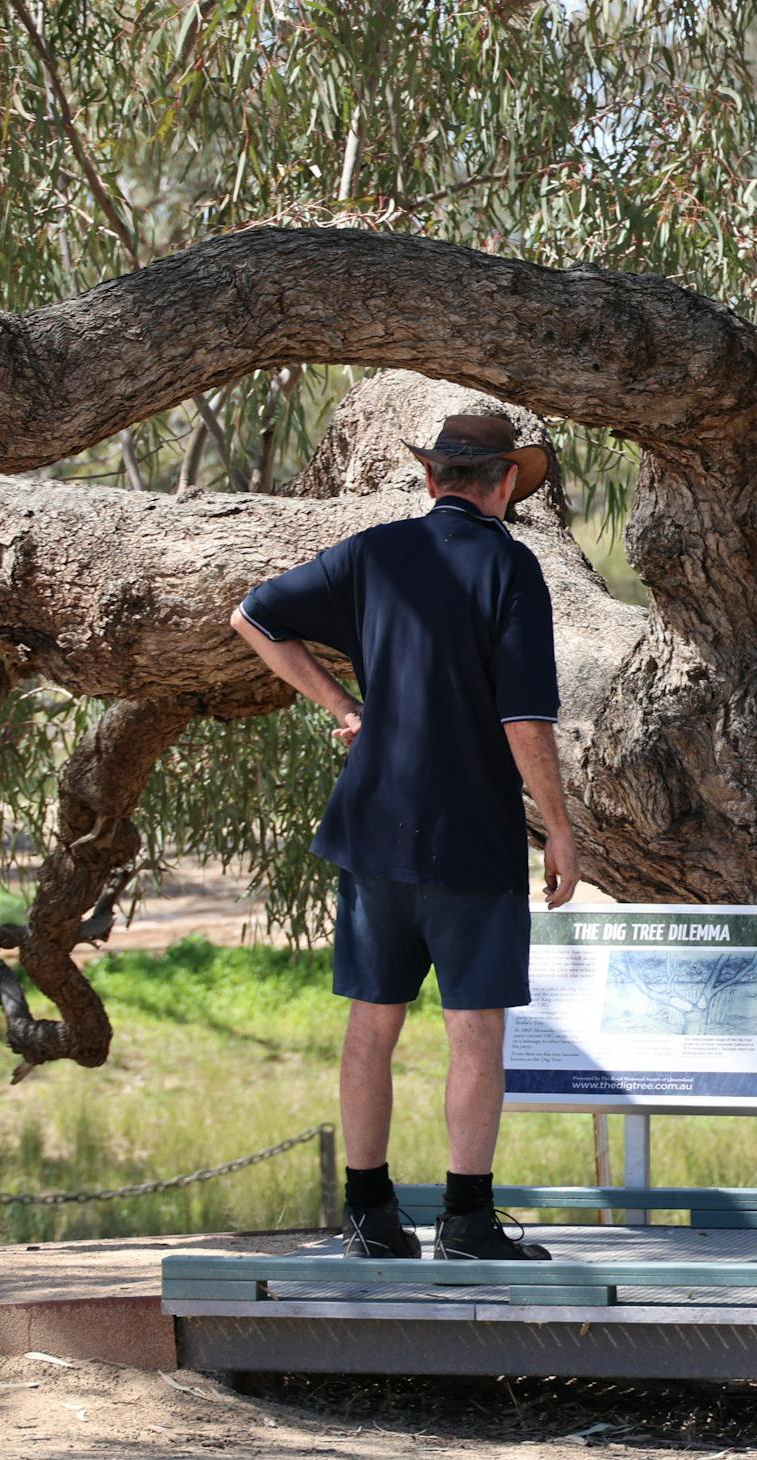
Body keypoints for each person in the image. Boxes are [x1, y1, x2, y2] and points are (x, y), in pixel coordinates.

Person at [230, 413, 582, 1263]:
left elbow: (253, 617)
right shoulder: (512, 565)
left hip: (373, 828)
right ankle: (466, 1221)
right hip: (472, 836)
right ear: (502, 484)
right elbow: (524, 719)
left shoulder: (372, 552)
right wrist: (561, 829)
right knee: (476, 1031)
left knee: (372, 1023)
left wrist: (343, 707)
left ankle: (369, 1215)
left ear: (432, 480)